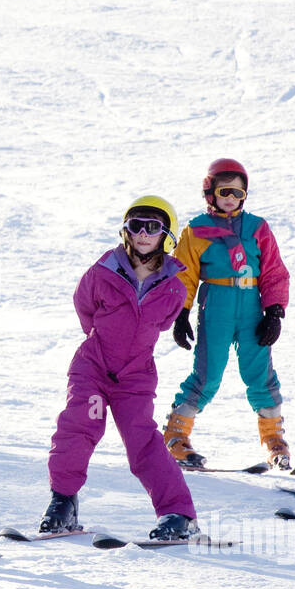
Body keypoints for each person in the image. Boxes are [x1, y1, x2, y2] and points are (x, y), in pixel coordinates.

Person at [42, 197, 202, 540]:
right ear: (125, 231)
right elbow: (84, 309)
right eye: (136, 226)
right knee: (80, 425)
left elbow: (162, 323)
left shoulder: (174, 285)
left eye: (153, 227)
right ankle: (62, 502)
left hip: (136, 376)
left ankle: (178, 513)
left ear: (166, 234)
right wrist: (103, 344)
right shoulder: (102, 272)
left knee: (142, 440)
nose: (144, 234)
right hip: (93, 368)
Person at [165, 159, 292, 469]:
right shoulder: (197, 230)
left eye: (238, 192)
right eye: (225, 191)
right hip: (216, 304)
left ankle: (274, 439)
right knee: (208, 373)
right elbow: (184, 273)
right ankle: (176, 435)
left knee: (259, 373)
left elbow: (274, 270)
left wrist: (274, 311)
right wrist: (180, 313)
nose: (232, 199)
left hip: (251, 304)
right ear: (210, 193)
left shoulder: (257, 227)